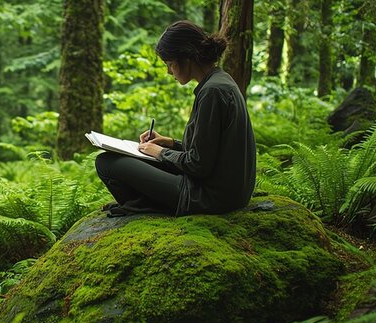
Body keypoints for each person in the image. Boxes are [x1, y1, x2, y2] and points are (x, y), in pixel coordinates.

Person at [95, 20, 256, 217]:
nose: (169, 72)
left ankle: (146, 205)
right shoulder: (219, 80)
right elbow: (210, 153)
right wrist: (170, 143)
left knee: (106, 163)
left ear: (186, 57)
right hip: (224, 191)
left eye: (170, 64)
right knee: (120, 159)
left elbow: (198, 165)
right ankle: (145, 203)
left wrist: (161, 153)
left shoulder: (212, 92)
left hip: (209, 197)